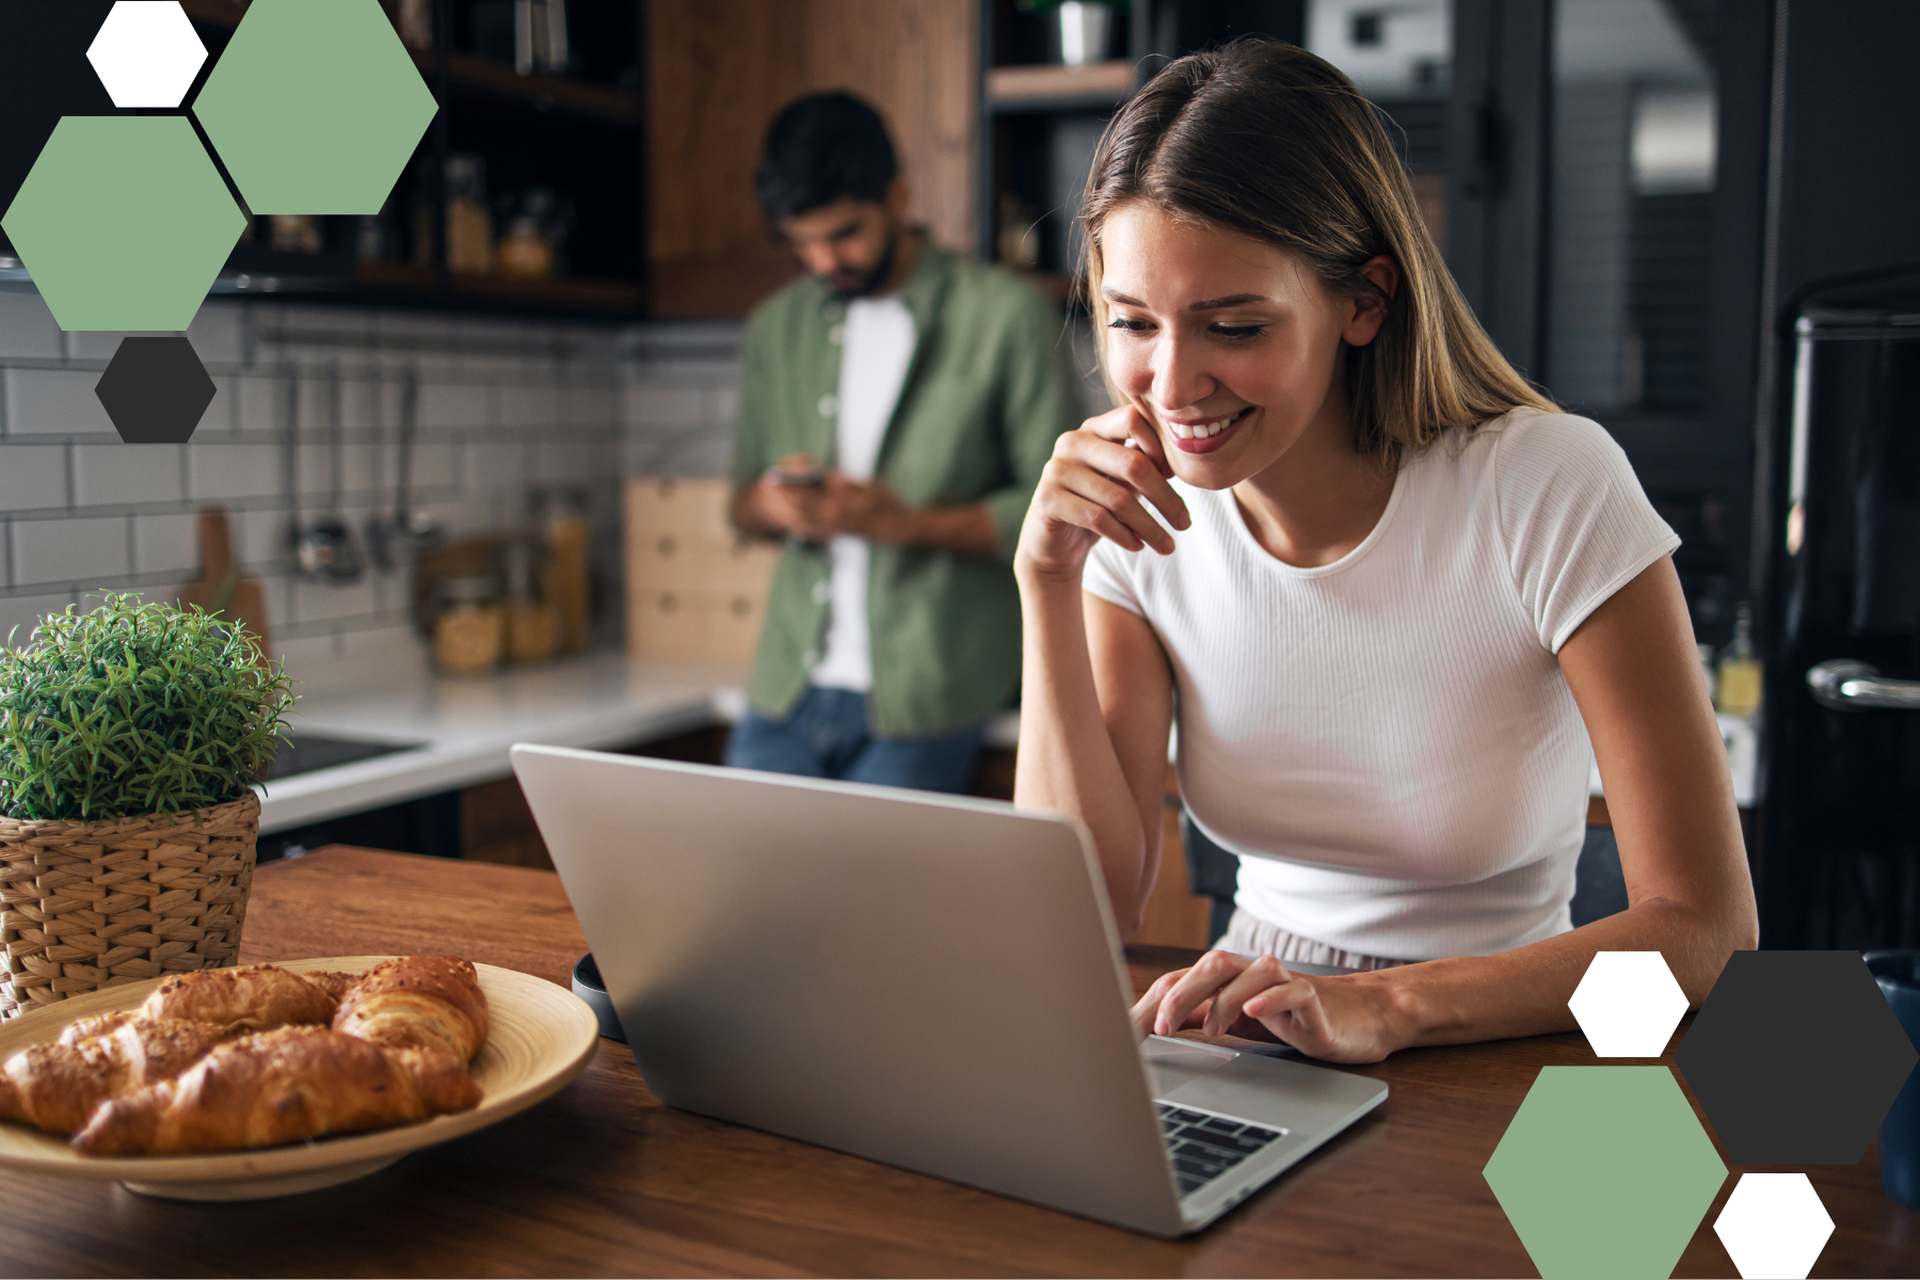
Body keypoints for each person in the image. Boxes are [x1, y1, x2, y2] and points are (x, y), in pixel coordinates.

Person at [1014, 40, 1757, 1063]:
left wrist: (1392, 1002)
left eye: (1232, 325)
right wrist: (1047, 580)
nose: (1171, 384)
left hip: (1508, 1039)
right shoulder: (1142, 518)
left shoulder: (1544, 485)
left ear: (1364, 300)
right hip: (1253, 1030)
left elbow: (1707, 933)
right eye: (1131, 321)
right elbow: (1082, 905)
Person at [728, 93, 1081, 792]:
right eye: (802, 242)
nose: (824, 260)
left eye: (844, 233)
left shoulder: (1006, 316)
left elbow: (1064, 515)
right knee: (738, 900)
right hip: (783, 690)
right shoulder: (774, 328)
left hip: (930, 694)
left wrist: (903, 525)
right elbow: (738, 506)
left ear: (898, 194)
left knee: (868, 905)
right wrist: (772, 506)